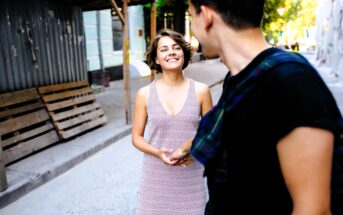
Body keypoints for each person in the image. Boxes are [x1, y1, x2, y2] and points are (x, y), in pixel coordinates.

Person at [172, 0, 343, 214]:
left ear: (206, 17)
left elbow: (313, 210)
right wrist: (190, 147)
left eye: (191, 16)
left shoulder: (292, 82)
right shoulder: (237, 79)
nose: (193, 30)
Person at [132, 29, 213, 215]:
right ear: (156, 59)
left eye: (176, 48)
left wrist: (195, 150)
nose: (171, 52)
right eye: (164, 49)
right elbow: (136, 137)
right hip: (155, 179)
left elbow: (211, 133)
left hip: (191, 178)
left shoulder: (201, 90)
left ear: (184, 54)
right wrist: (157, 152)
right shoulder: (144, 94)